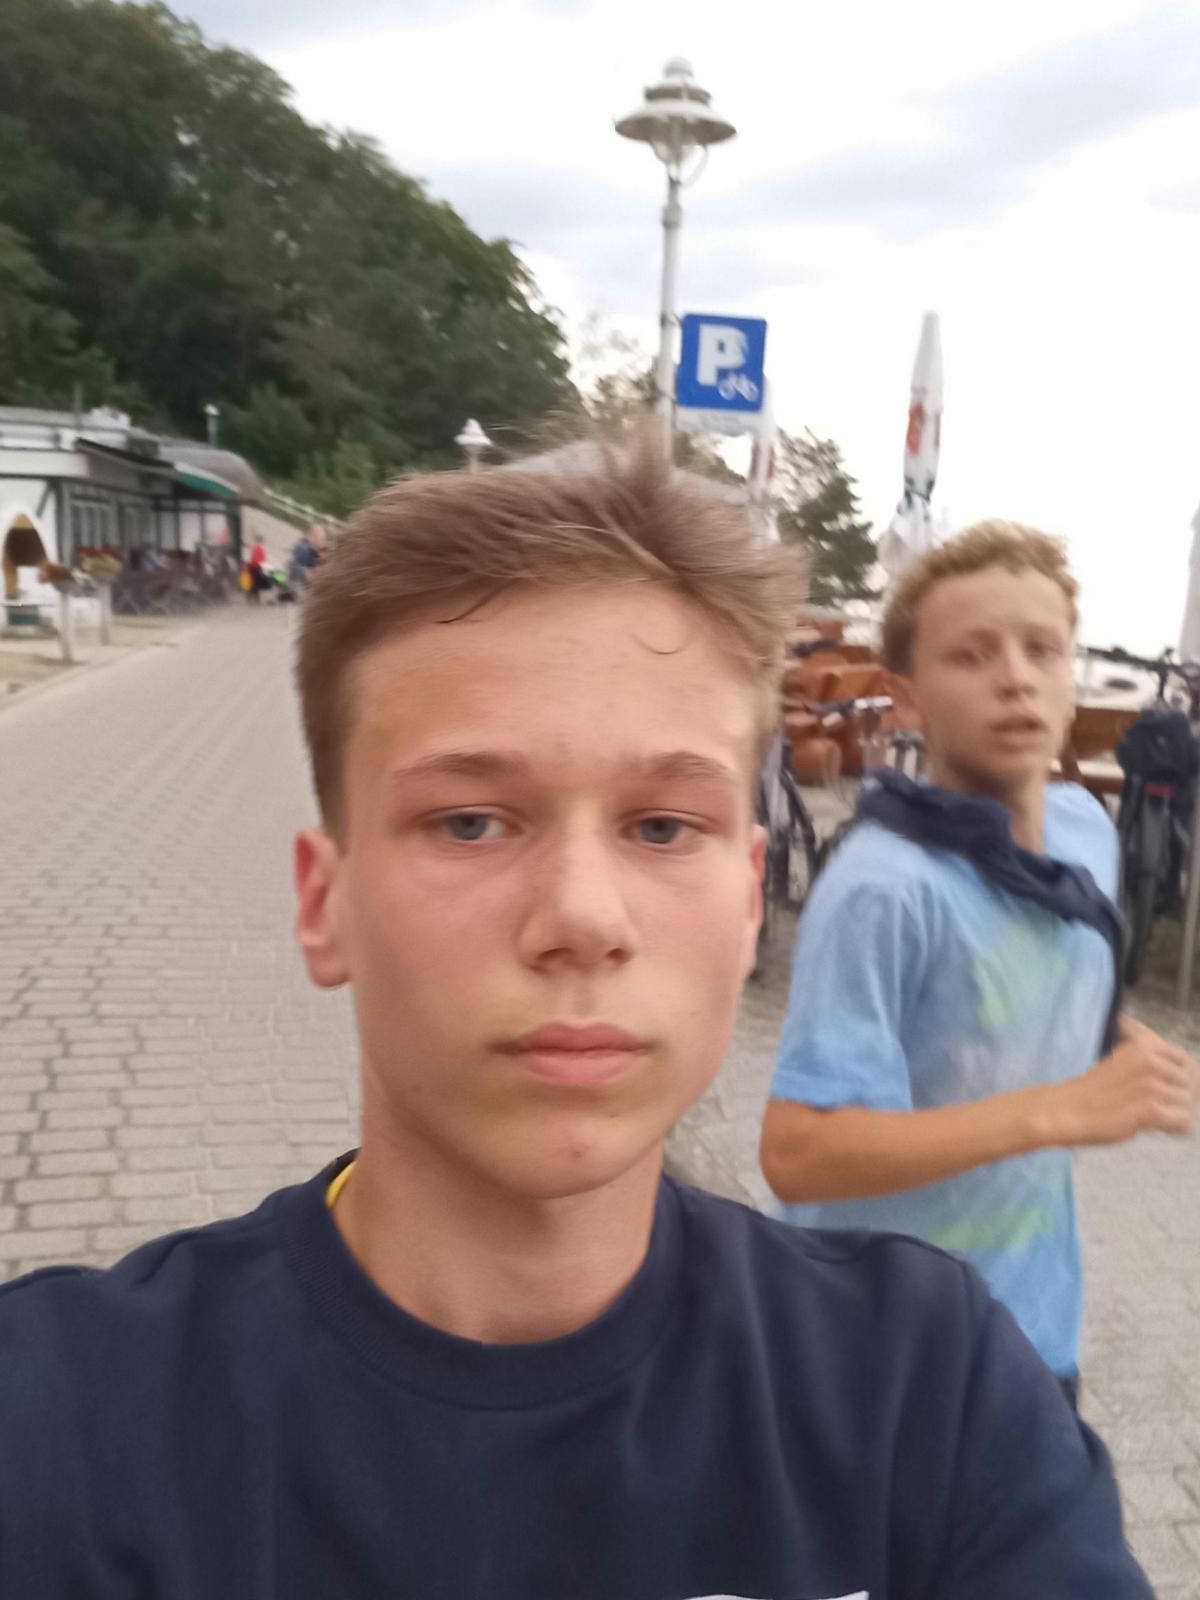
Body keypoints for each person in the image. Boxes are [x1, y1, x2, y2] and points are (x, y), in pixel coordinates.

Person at [0, 463, 1153, 1596]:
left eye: (662, 826)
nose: (584, 919)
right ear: (324, 904)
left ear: (749, 903)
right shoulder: (67, 1424)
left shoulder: (928, 1391)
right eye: (470, 821)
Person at [761, 521, 1199, 1406]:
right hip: (877, 1356)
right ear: (906, 698)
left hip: (1033, 1330)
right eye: (972, 654)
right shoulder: (884, 888)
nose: (1016, 676)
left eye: (1043, 649)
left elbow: (1025, 985)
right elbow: (798, 1151)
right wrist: (1061, 1109)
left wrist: (1114, 1038)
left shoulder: (1083, 831)